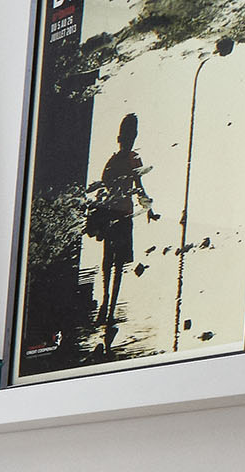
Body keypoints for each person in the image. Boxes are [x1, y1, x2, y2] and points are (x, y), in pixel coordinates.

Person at [89, 114, 159, 343]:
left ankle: (106, 303)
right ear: (131, 136)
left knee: (108, 260)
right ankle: (109, 308)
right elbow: (139, 186)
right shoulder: (133, 158)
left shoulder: (113, 160)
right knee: (117, 264)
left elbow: (105, 184)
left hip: (112, 213)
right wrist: (149, 208)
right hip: (123, 214)